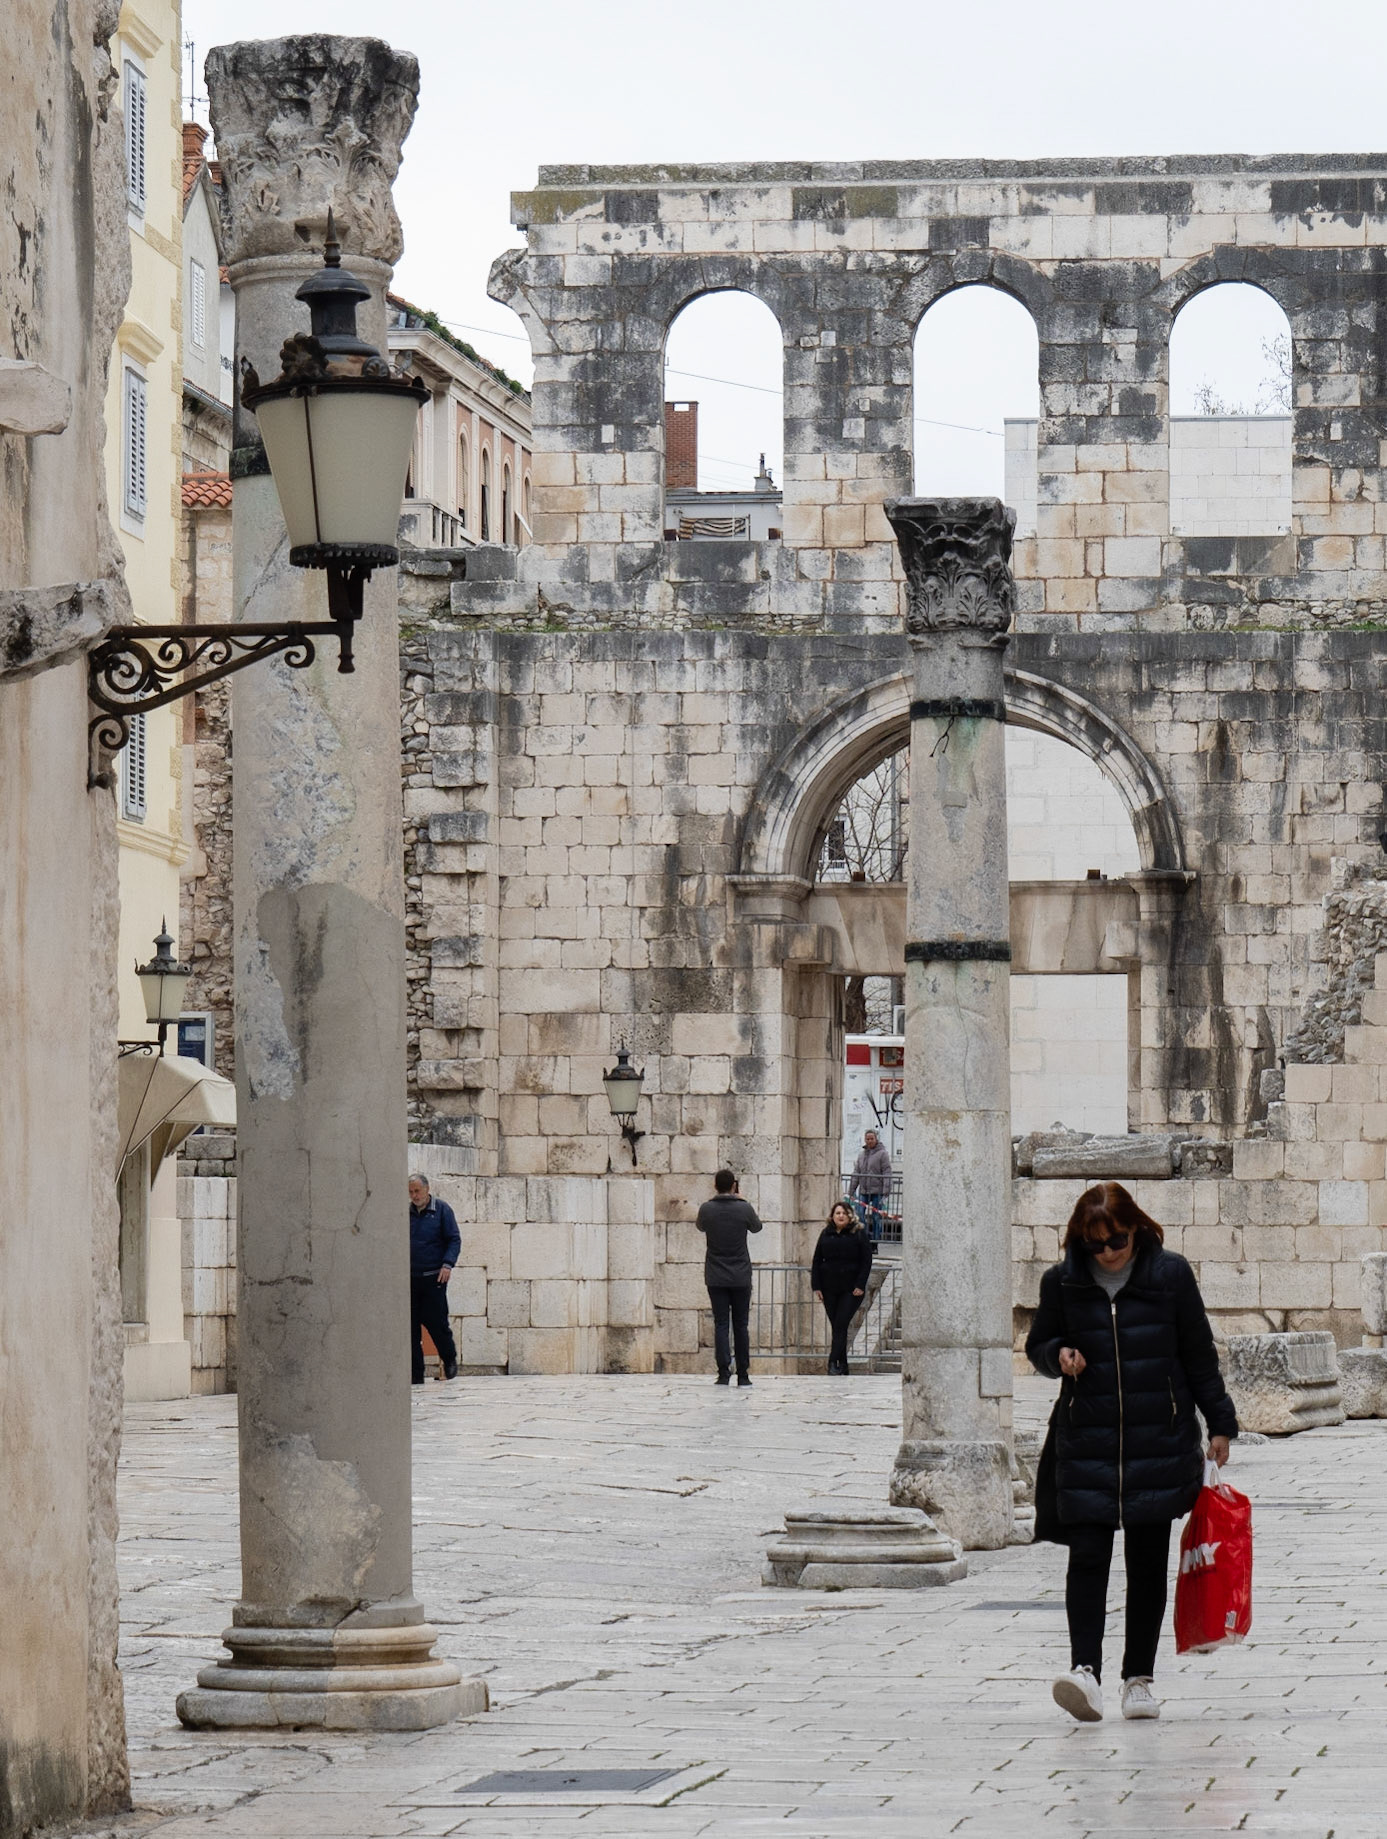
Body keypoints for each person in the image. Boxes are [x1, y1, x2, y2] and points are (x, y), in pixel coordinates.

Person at [1026, 1181, 1238, 1724]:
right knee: (1088, 1557)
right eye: (1095, 1244)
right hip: (1087, 1438)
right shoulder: (1062, 1283)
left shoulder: (1169, 1275)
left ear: (1135, 1227)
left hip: (1156, 1440)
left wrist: (1220, 1422)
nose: (1107, 1252)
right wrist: (1060, 1355)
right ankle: (1085, 1673)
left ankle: (1138, 1679)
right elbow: (1039, 1345)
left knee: (1147, 1565)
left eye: (1115, 1240)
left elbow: (1197, 1351)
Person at [695, 1168, 762, 1387]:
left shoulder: (707, 1209)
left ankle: (723, 1372)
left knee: (721, 1324)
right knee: (741, 1325)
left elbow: (700, 1226)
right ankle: (743, 1373)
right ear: (734, 1185)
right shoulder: (744, 1208)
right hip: (741, 1275)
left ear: (715, 1185)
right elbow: (757, 1228)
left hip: (716, 1275)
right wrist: (741, 1199)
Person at [409, 1174, 460, 1384]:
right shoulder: (404, 1212)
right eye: (411, 1192)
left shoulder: (442, 1210)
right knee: (410, 1330)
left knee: (437, 1324)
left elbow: (454, 1239)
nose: (414, 1196)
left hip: (434, 1278)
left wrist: (447, 1264)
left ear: (427, 1189)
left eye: (417, 1191)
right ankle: (415, 1375)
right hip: (410, 1279)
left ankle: (449, 1359)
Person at [812, 1200, 874, 1375]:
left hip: (851, 1288)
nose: (840, 1216)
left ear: (849, 1216)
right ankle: (843, 1365)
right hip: (829, 1286)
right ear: (832, 1216)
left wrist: (860, 1284)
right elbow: (817, 1260)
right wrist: (816, 1286)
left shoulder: (858, 1233)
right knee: (838, 1326)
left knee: (840, 1323)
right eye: (837, 1213)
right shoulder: (826, 1233)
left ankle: (832, 1362)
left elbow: (866, 1260)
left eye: (844, 1213)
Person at [848, 1129, 892, 1237]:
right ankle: (865, 1237)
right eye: (867, 1139)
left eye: (872, 1139)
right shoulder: (861, 1155)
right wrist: (851, 1191)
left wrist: (886, 1192)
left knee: (876, 1216)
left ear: (876, 1139)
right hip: (864, 1191)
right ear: (865, 1140)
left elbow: (887, 1172)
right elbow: (856, 1173)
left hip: (877, 1191)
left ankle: (875, 1242)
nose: (869, 1141)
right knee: (859, 1213)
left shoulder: (883, 1154)